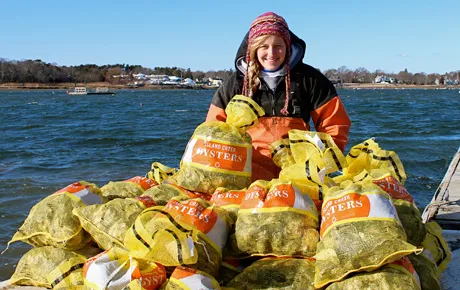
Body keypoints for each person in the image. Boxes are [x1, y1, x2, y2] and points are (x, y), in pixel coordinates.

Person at [206, 12, 351, 181]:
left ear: (288, 46)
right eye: (264, 46)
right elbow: (212, 130)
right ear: (253, 48)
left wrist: (321, 165)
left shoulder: (310, 79)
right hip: (247, 174)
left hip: (297, 175)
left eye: (278, 46)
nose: (271, 53)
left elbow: (335, 125)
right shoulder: (235, 83)